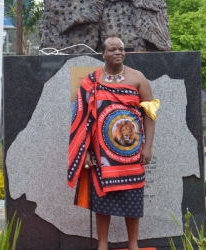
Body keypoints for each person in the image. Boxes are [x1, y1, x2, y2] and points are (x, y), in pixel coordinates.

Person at [67, 37, 159, 250]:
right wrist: (86, 151)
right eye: (112, 49)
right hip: (102, 155)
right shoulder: (91, 81)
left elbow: (150, 115)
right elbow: (82, 119)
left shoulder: (138, 78)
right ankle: (102, 245)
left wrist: (148, 146)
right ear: (103, 53)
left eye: (121, 49)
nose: (118, 52)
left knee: (133, 200)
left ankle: (133, 245)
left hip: (132, 154)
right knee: (102, 200)